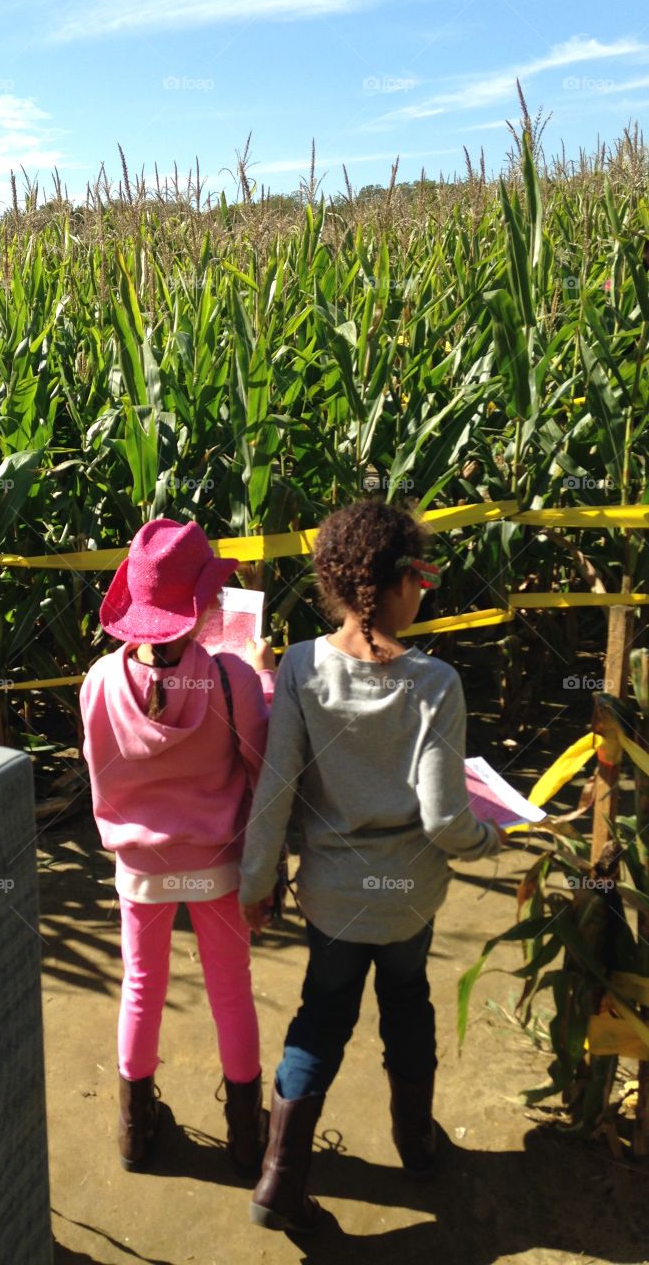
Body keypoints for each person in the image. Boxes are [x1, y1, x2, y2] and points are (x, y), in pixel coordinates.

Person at [238, 499, 508, 1234]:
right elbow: (446, 820)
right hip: (408, 900)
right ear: (389, 583)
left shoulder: (299, 667)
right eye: (421, 574)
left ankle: (279, 1176)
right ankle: (416, 1146)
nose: (427, 589)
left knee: (320, 1017)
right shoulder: (436, 684)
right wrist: (491, 842)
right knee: (408, 1004)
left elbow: (275, 790)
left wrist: (255, 887)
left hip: (331, 897)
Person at [80, 518, 276, 1175]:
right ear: (200, 609)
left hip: (140, 870)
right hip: (215, 867)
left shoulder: (98, 682)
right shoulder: (232, 681)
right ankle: (247, 1136)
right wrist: (264, 676)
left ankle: (135, 1128)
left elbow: (101, 769)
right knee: (231, 989)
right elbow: (262, 760)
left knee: (140, 987)